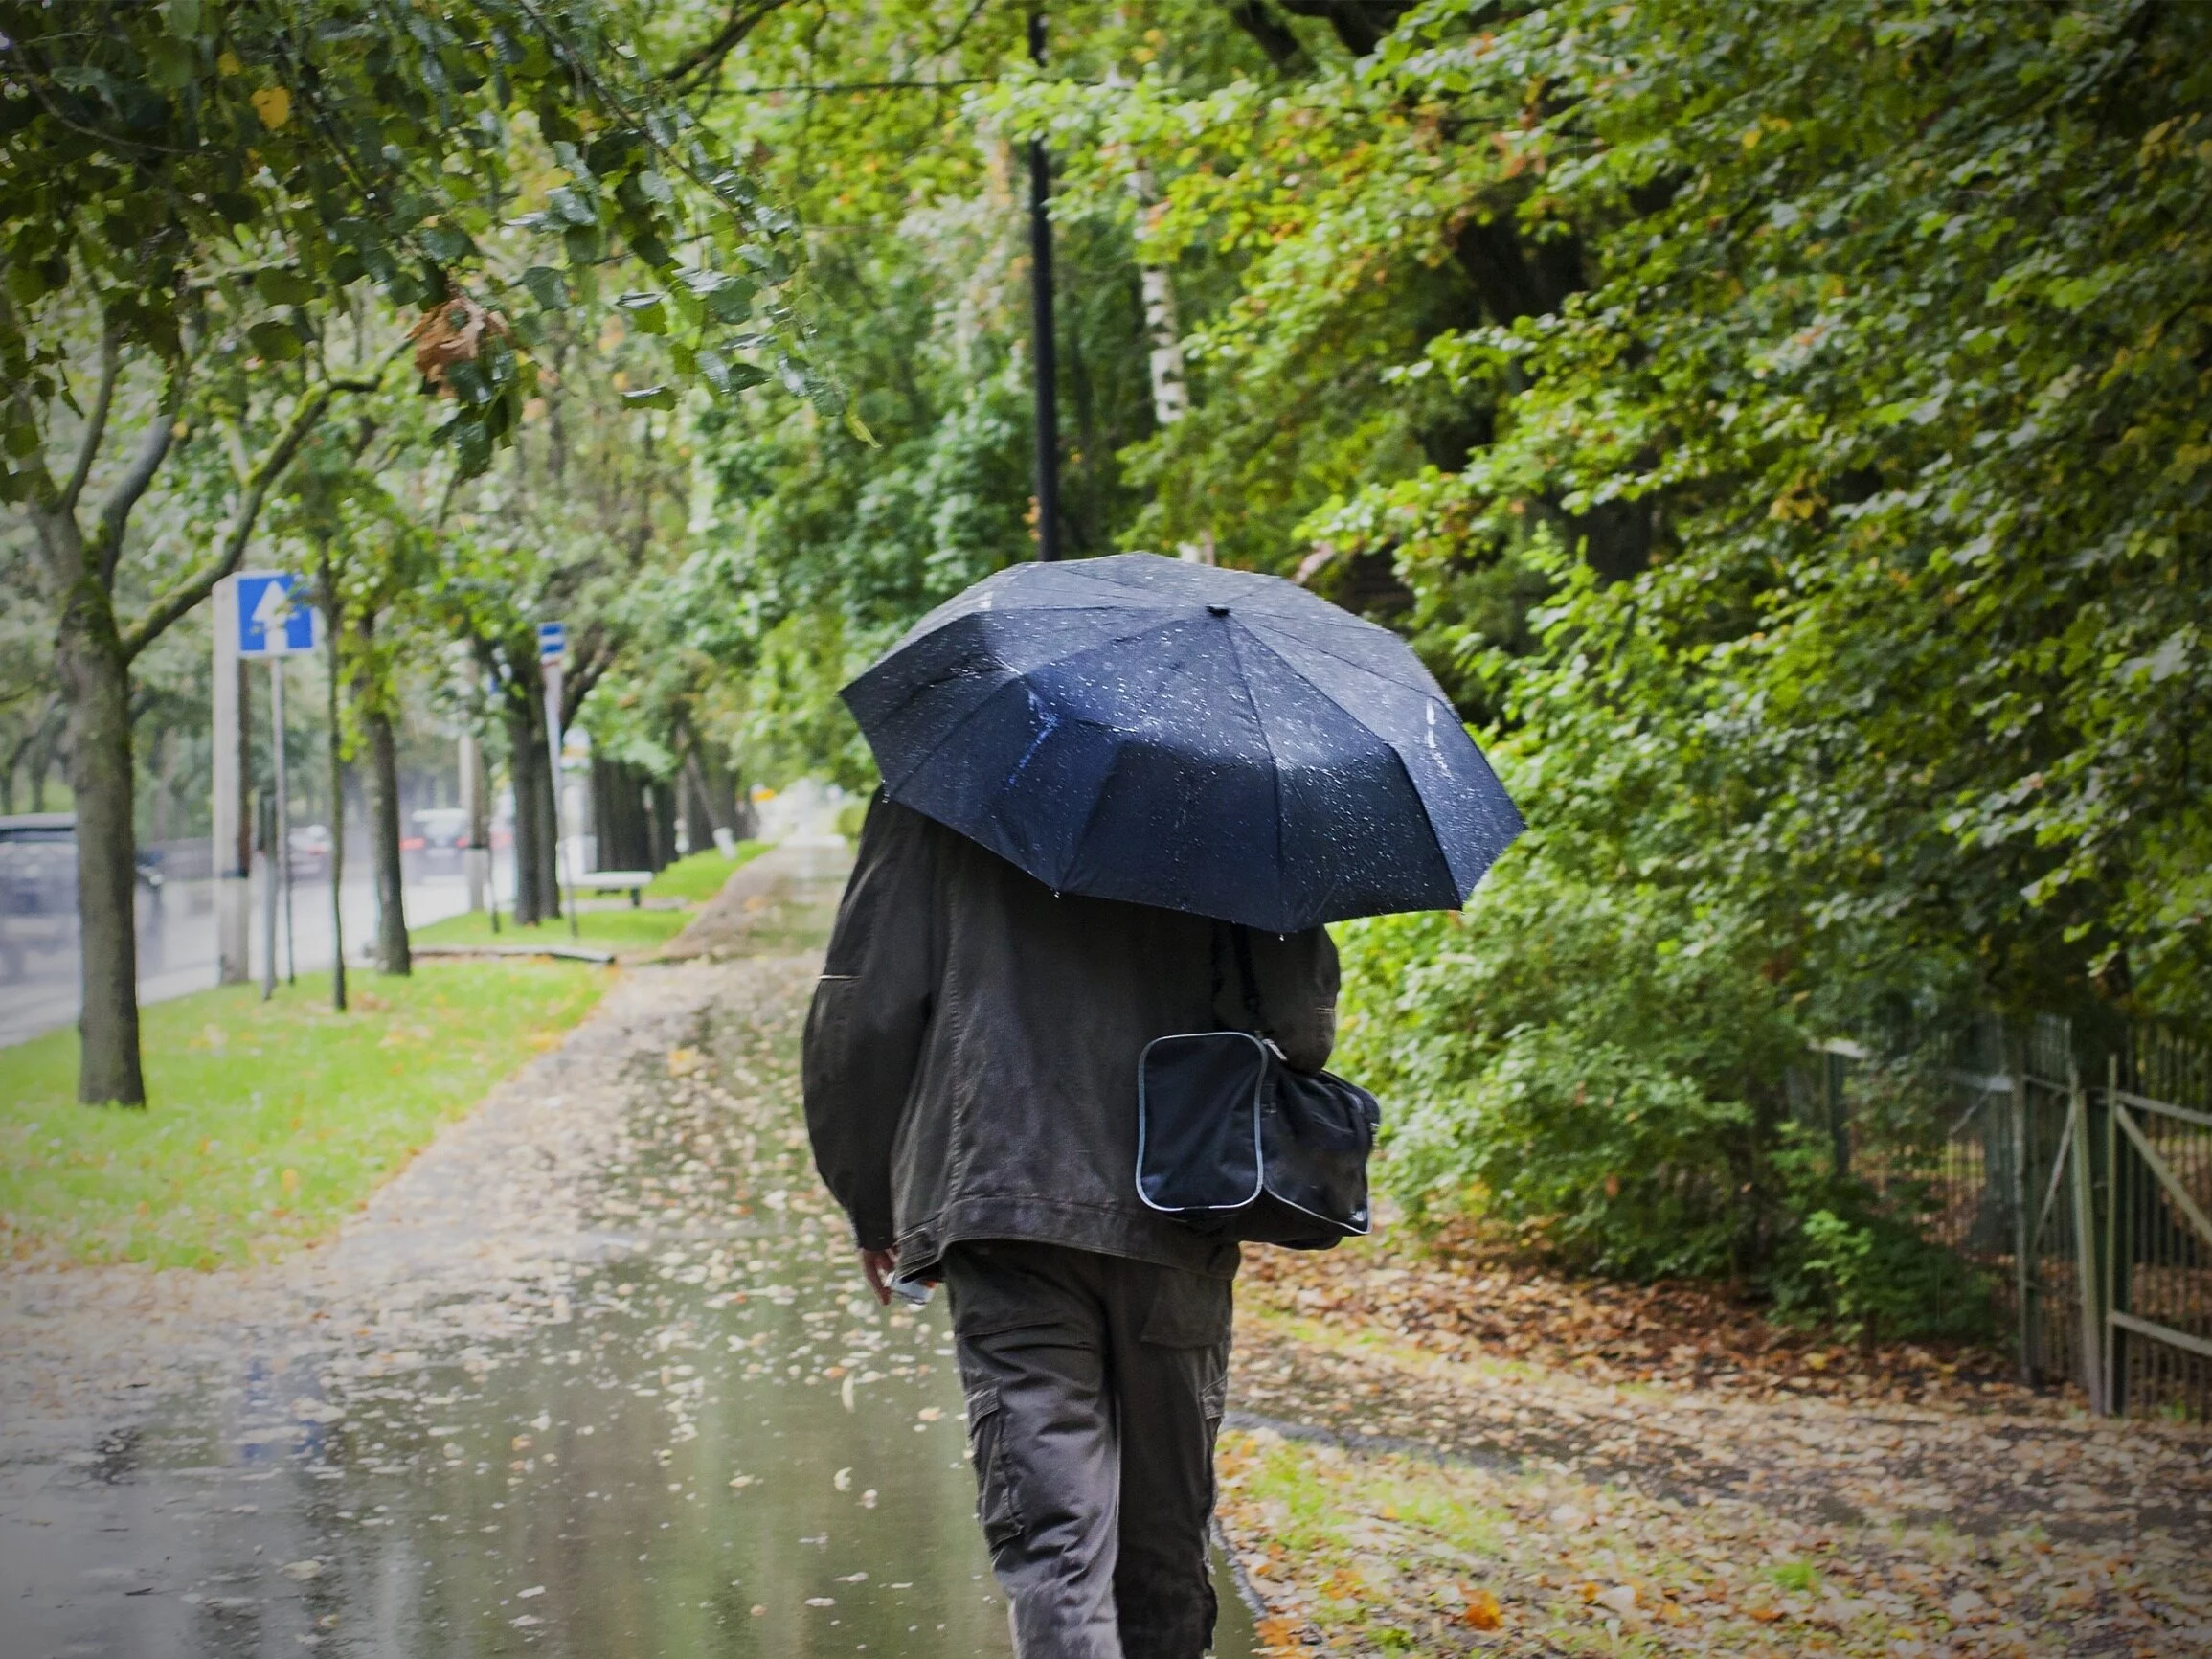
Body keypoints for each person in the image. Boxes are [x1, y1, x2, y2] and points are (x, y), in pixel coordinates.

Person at [803, 793, 1339, 1659]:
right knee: (1164, 1549)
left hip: (1004, 1197)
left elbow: (864, 1005)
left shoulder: (944, 786)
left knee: (1055, 1547)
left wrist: (871, 1198)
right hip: (1178, 1197)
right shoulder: (1235, 790)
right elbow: (1301, 1028)